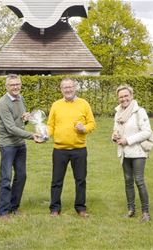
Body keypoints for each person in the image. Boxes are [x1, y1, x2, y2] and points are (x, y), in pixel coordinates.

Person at [47, 78, 96, 217]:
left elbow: (92, 123)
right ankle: (55, 209)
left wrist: (84, 128)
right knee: (56, 180)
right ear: (61, 89)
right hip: (60, 149)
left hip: (79, 149)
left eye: (70, 87)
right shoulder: (56, 105)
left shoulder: (84, 104)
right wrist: (45, 134)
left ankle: (80, 208)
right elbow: (51, 125)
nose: (68, 90)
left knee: (80, 180)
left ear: (75, 88)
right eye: (65, 87)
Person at [0, 74, 41, 219]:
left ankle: (13, 208)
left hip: (20, 144)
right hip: (8, 145)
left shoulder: (21, 98)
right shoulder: (3, 103)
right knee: (6, 178)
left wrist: (26, 119)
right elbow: (10, 128)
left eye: (18, 84)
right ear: (7, 87)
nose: (15, 87)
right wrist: (31, 135)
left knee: (21, 176)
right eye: (12, 85)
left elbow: (20, 122)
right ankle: (2, 212)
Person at [112, 85, 152, 222]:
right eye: (121, 97)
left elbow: (147, 132)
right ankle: (131, 210)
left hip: (138, 152)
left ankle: (146, 213)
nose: (123, 99)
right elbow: (116, 129)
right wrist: (115, 136)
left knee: (139, 181)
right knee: (128, 181)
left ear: (131, 96)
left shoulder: (139, 112)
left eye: (126, 96)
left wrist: (127, 140)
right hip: (124, 152)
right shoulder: (118, 112)